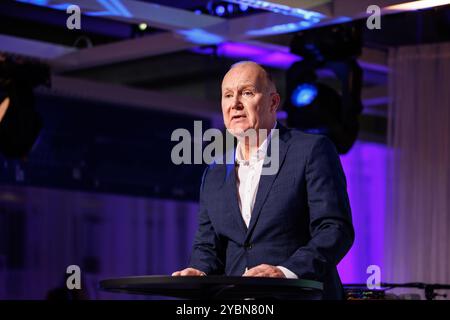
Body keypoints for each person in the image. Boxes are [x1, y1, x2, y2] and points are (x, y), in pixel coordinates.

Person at [172, 61, 354, 299]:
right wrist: (198, 272)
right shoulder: (214, 172)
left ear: (273, 102)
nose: (235, 103)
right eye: (228, 95)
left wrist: (286, 272)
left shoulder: (311, 151)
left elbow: (335, 229)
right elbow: (208, 246)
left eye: (247, 93)